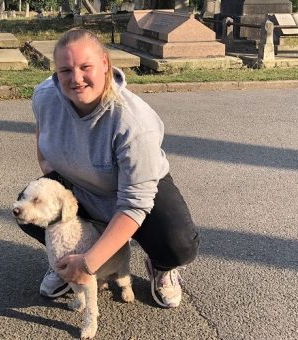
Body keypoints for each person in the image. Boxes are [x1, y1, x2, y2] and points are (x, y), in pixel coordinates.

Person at [17, 28, 199, 308]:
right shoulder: (45, 96)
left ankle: (161, 266)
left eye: (85, 67)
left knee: (179, 245)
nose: (75, 79)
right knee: (28, 208)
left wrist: (88, 265)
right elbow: (43, 135)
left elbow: (133, 205)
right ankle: (65, 261)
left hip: (134, 192)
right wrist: (52, 176)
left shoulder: (134, 123)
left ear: (105, 64)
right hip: (83, 185)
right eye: (65, 70)